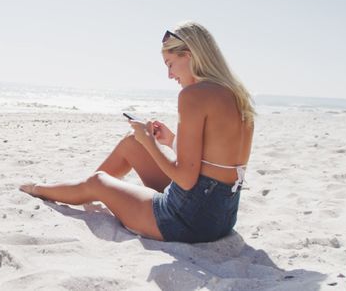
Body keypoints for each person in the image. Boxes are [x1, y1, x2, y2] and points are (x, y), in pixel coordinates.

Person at [19, 21, 255, 243]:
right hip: (221, 217)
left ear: (189, 55)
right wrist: (170, 140)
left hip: (186, 221)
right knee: (133, 143)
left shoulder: (194, 95)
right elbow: (218, 159)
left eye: (170, 64)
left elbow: (185, 177)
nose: (170, 75)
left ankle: (46, 189)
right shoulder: (235, 93)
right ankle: (89, 191)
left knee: (98, 180)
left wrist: (150, 142)